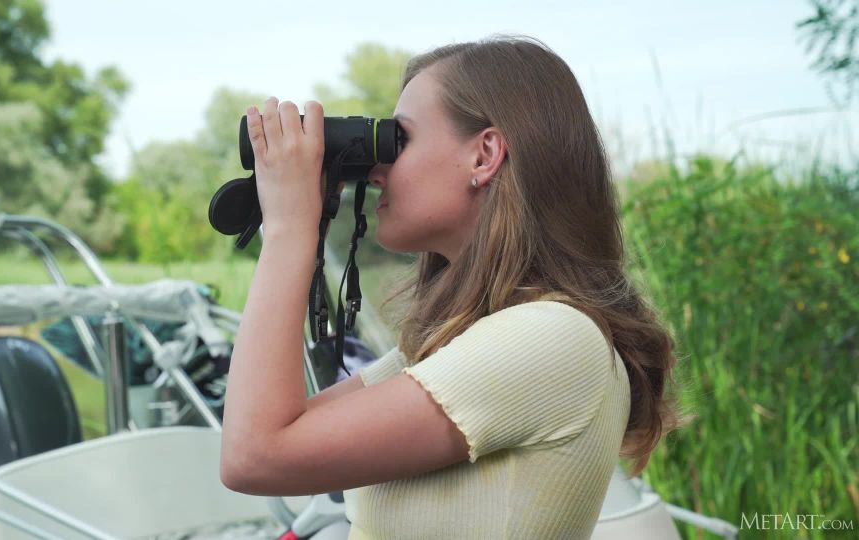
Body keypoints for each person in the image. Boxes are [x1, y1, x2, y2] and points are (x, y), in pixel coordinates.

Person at [219, 34, 692, 540]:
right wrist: (302, 220)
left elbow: (255, 455)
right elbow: (283, 428)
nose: (376, 170)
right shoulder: (471, 339)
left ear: (485, 154)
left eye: (400, 139)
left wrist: (289, 228)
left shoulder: (550, 337)